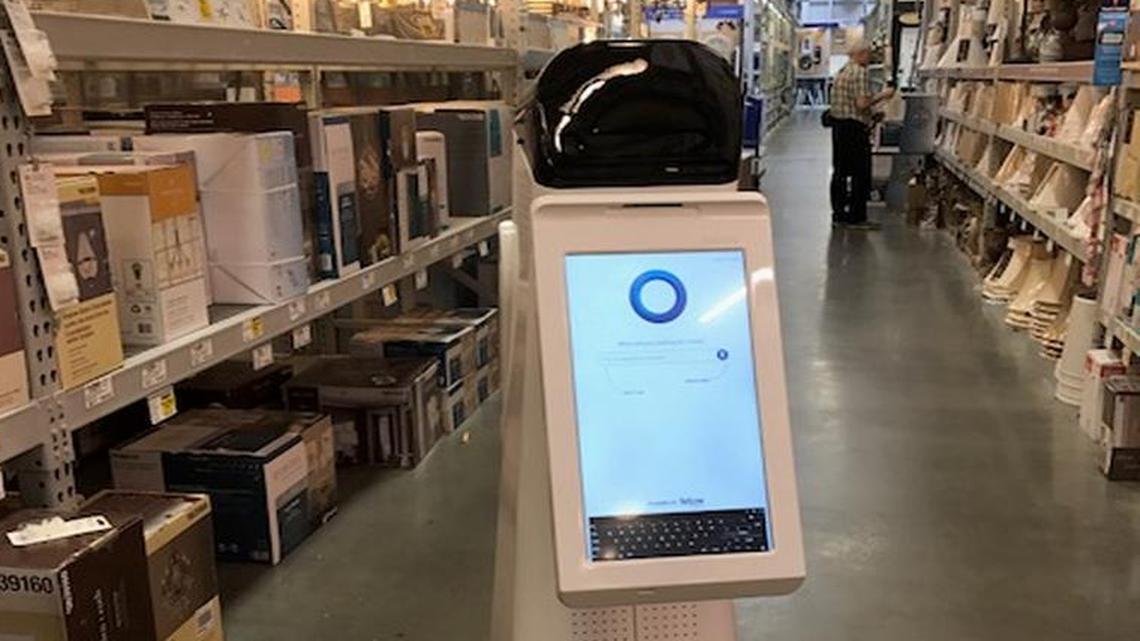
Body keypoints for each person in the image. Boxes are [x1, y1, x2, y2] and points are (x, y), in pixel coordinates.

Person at [829, 39, 894, 230]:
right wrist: (884, 95)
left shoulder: (843, 71)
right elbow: (861, 103)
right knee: (860, 173)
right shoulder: (859, 72)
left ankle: (839, 214)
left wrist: (872, 114)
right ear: (861, 54)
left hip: (839, 127)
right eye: (869, 54)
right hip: (854, 129)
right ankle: (856, 217)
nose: (870, 58)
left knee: (840, 172)